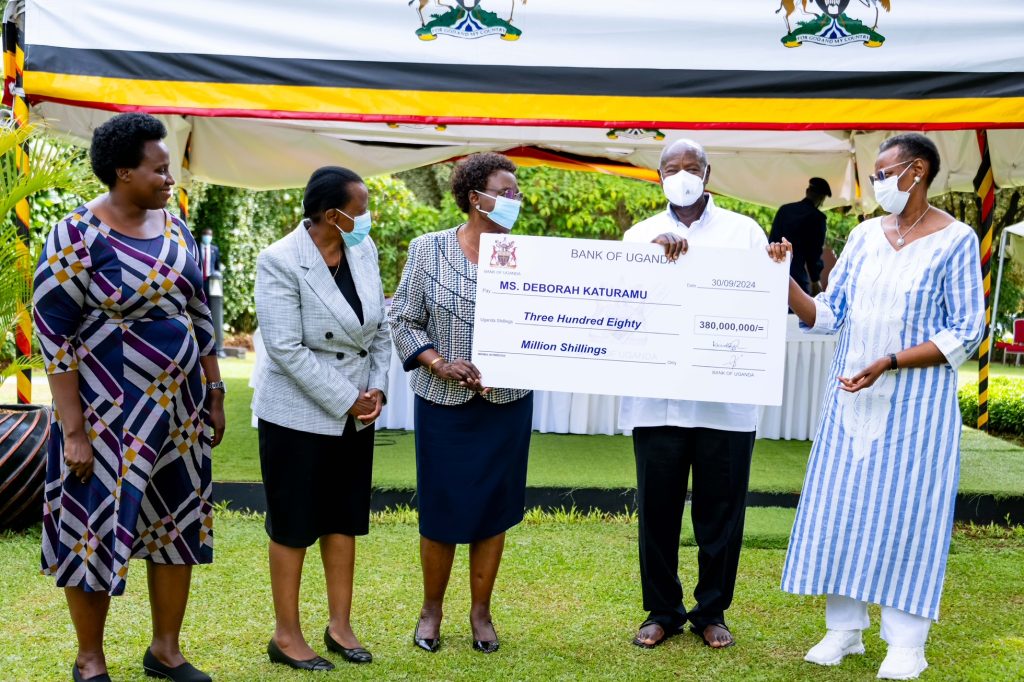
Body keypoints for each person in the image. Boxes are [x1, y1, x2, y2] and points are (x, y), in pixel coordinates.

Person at [768, 133, 984, 680]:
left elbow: (966, 332)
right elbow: (829, 312)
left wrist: (889, 361)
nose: (877, 183)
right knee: (843, 509)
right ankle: (844, 630)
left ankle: (906, 643)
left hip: (916, 411)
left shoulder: (956, 240)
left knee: (908, 516)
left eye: (884, 172)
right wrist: (783, 278)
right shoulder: (863, 237)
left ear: (916, 172)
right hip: (848, 405)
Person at [33, 112, 224, 682]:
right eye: (160, 169)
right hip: (105, 408)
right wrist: (72, 430)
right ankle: (90, 659)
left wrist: (213, 391)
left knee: (176, 521)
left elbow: (198, 314)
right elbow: (54, 335)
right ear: (122, 173)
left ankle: (166, 651)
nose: (171, 180)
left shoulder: (175, 227)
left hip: (180, 406)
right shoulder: (76, 235)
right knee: (93, 523)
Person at [620, 139, 766, 651]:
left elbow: (761, 302)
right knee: (657, 511)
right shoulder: (638, 235)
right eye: (670, 168)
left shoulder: (745, 232)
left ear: (708, 172)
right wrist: (653, 264)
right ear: (658, 175)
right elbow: (623, 310)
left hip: (724, 403)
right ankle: (661, 611)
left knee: (720, 513)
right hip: (657, 400)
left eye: (690, 166)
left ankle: (712, 612)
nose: (681, 174)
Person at [389, 152, 533, 655]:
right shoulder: (429, 250)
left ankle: (481, 612)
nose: (518, 200)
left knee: (494, 508)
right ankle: (432, 609)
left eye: (517, 192)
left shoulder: (529, 254)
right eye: (508, 191)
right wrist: (438, 362)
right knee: (442, 509)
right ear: (476, 199)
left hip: (507, 404)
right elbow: (404, 319)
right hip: (443, 402)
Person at [253, 166, 391, 671]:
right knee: (293, 525)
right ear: (332, 215)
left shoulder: (364, 249)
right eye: (360, 209)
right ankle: (286, 636)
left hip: (356, 412)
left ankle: (340, 625)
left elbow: (379, 325)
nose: (367, 218)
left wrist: (375, 388)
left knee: (343, 520)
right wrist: (348, 396)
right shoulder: (280, 260)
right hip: (297, 413)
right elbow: (285, 348)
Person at [769, 177, 831, 295]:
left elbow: (771, 242)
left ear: (807, 191)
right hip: (797, 279)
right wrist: (815, 279)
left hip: (775, 274)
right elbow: (814, 253)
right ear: (822, 199)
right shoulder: (817, 218)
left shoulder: (784, 210)